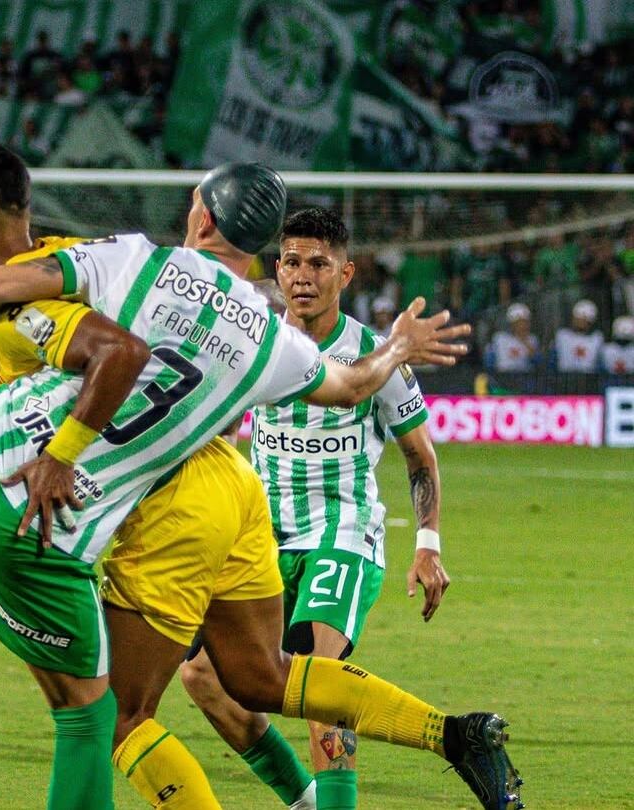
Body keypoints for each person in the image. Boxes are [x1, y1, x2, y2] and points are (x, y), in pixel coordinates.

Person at [0, 154, 520, 810]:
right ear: (265, 252)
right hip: (236, 488)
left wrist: (2, 348)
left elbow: (0, 288)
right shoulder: (275, 341)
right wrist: (397, 348)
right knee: (261, 675)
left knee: (118, 716)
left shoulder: (138, 260)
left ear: (197, 211)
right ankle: (449, 735)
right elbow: (356, 384)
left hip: (146, 498)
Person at [177, 208, 450, 810]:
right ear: (277, 268)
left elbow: (420, 455)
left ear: (345, 273)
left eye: (318, 264)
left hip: (343, 534)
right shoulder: (255, 342)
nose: (303, 276)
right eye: (292, 262)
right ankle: (303, 801)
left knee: (314, 677)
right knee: (201, 678)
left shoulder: (377, 356)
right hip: (260, 541)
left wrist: (427, 547)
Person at [485, 303, 540, 373]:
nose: (523, 326)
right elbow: (489, 361)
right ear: (512, 324)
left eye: (525, 322)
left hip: (524, 377)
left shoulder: (532, 339)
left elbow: (538, 362)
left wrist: (524, 341)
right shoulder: (500, 338)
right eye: (519, 323)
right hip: (503, 376)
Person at [554, 299, 604, 373]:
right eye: (577, 318)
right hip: (564, 379)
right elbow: (553, 362)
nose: (579, 322)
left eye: (583, 319)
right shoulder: (562, 336)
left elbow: (600, 365)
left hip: (588, 379)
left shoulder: (596, 338)